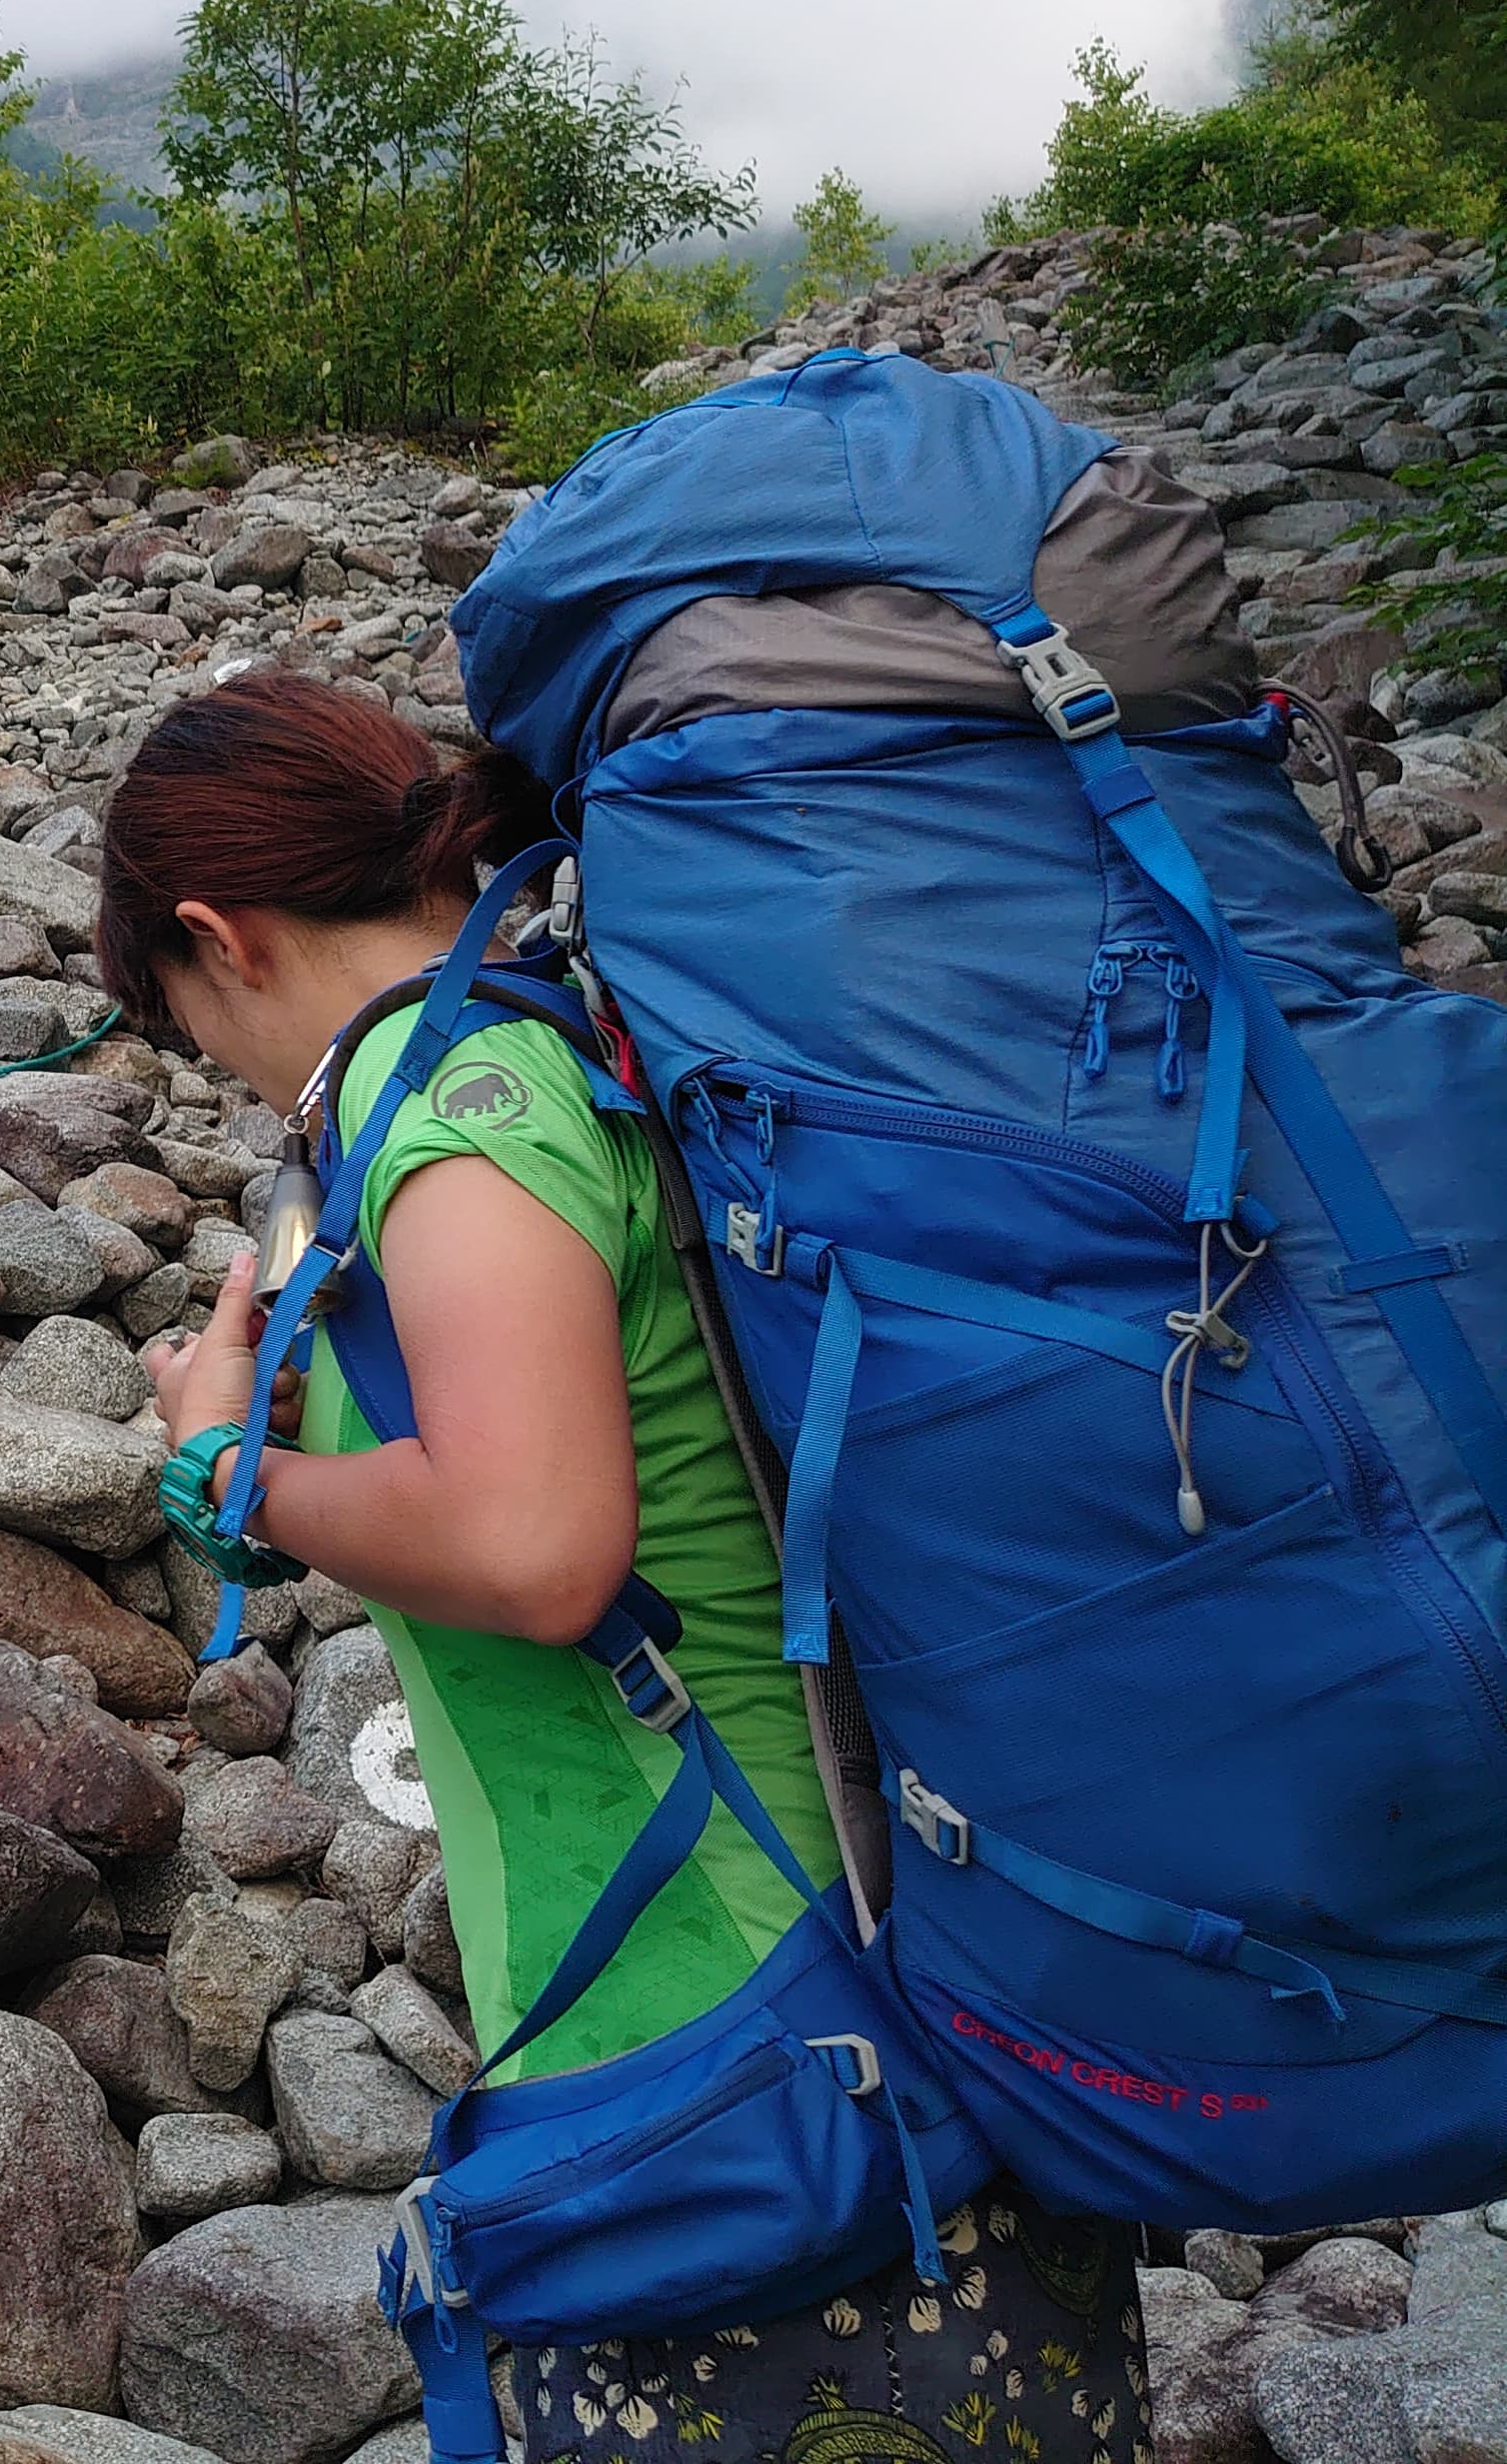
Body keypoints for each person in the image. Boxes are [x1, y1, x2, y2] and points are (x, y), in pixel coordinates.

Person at [94, 668, 1153, 2464]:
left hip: (749, 2026)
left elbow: (533, 1542)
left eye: (185, 1018)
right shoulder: (543, 1048)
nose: (224, 1069)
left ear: (221, 936)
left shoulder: (457, 1117)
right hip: (862, 1961)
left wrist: (230, 1468)